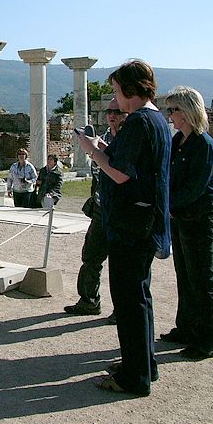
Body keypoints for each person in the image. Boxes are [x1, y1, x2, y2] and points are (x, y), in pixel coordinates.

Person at [78, 59, 171, 396]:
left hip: (132, 224)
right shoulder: (156, 120)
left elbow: (120, 173)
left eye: (117, 91)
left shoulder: (139, 123)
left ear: (132, 90)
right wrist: (104, 150)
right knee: (140, 298)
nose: (115, 98)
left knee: (130, 302)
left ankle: (135, 377)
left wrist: (92, 152)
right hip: (143, 222)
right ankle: (144, 364)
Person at [161, 86, 213, 360]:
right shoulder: (178, 142)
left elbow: (196, 188)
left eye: (174, 110)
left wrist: (167, 204)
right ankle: (185, 328)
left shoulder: (204, 145)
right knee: (184, 277)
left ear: (187, 111)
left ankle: (206, 341)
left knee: (202, 280)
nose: (170, 115)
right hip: (180, 218)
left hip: (198, 220)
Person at [64, 98, 127, 321]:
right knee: (91, 255)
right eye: (110, 111)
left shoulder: (129, 139)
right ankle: (89, 300)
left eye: (118, 111)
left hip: (121, 211)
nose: (113, 115)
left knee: (122, 265)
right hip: (102, 207)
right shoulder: (104, 137)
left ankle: (124, 309)